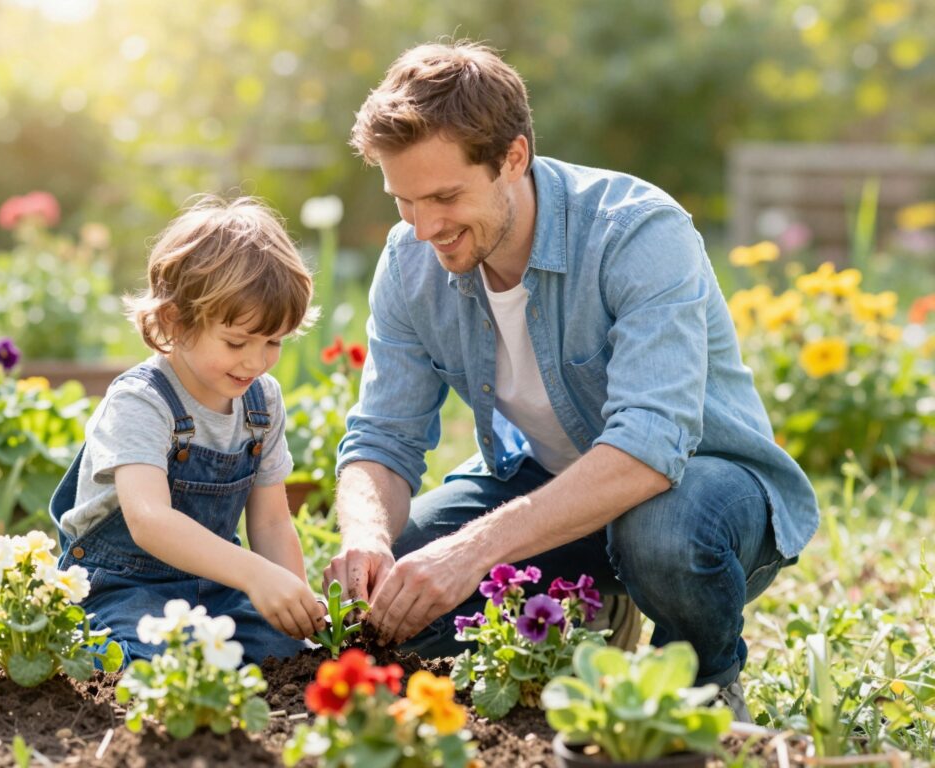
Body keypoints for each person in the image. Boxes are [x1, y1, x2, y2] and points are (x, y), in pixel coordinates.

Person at [324, 41, 818, 719]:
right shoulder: (409, 261)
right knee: (397, 590)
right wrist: (366, 538)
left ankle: (704, 685)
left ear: (513, 158)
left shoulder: (637, 231)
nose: (426, 227)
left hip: (703, 490)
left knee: (662, 535)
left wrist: (473, 551)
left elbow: (650, 449)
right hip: (548, 485)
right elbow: (381, 436)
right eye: (405, 201)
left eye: (444, 196)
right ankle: (585, 615)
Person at [50, 196, 326, 665]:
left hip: (215, 589)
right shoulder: (142, 401)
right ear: (176, 321)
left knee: (287, 653)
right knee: (147, 662)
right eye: (237, 341)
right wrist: (256, 576)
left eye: (273, 342)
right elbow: (149, 521)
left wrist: (295, 603)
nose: (255, 362)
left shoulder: (263, 402)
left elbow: (272, 522)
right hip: (123, 588)